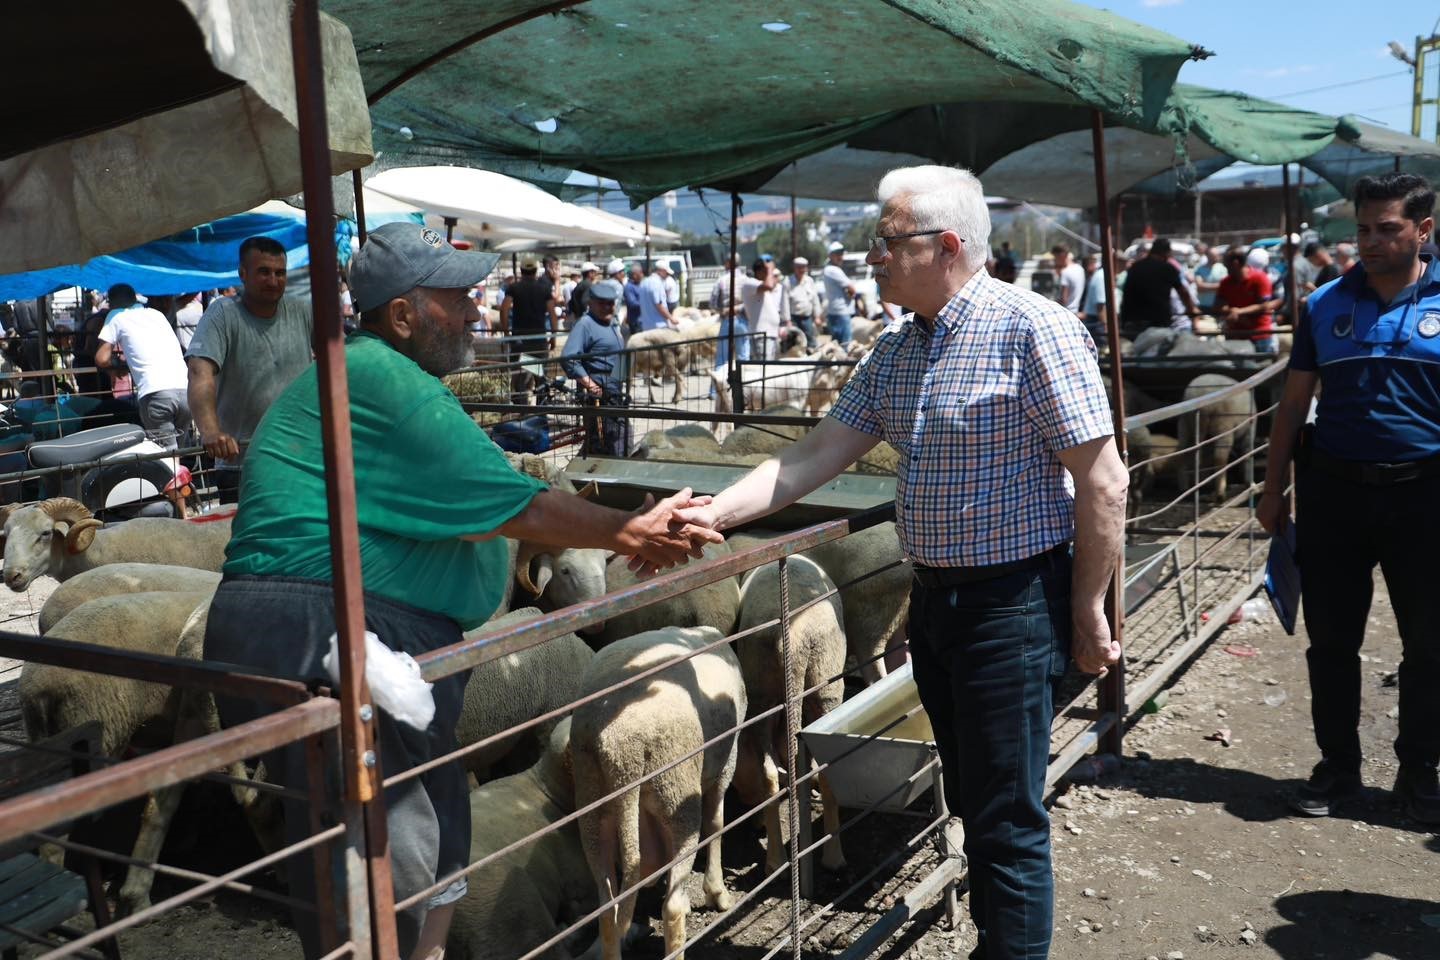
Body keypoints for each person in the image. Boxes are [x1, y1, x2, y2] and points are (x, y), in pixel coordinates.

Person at [204, 222, 720, 960]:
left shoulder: (367, 374)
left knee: (406, 821)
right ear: (404, 314)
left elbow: (488, 498)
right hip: (325, 626)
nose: (476, 312)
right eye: (456, 298)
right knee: (388, 840)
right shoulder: (380, 376)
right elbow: (515, 501)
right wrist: (632, 531)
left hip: (336, 627)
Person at [675, 165, 1127, 960]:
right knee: (976, 802)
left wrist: (1089, 610)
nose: (871, 258)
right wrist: (711, 513)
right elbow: (812, 455)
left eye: (886, 241)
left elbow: (1103, 478)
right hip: (940, 605)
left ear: (946, 246)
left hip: (1012, 606)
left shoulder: (1034, 330)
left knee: (1006, 819)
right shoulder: (900, 347)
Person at [1258, 173, 1440, 826]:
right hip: (1334, 494)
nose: (1368, 241)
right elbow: (1293, 405)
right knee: (1330, 641)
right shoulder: (1327, 303)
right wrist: (1273, 487)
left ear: (1423, 230)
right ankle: (1339, 769)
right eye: (1362, 228)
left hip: (1426, 497)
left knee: (1429, 645)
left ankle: (1420, 774)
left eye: (1386, 228)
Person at [186, 236, 314, 502]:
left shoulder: (301, 311)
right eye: (264, 272)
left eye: (280, 273)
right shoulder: (223, 313)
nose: (273, 280)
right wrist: (211, 432)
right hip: (241, 463)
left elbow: (337, 360)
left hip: (299, 459)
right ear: (242, 274)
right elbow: (200, 371)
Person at [94, 284, 192, 450]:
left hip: (156, 394)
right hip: (186, 392)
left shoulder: (117, 315)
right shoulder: (156, 314)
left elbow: (101, 358)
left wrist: (120, 365)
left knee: (167, 459)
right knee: (181, 454)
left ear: (112, 302)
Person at [561, 278, 629, 456]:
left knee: (615, 437)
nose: (608, 307)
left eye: (610, 303)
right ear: (591, 303)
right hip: (600, 395)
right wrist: (590, 384)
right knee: (607, 440)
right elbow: (569, 357)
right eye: (602, 304)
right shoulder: (585, 324)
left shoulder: (612, 323)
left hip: (615, 391)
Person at [1119, 238, 1197, 340]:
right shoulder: (1167, 268)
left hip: (1132, 322)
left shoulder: (1135, 267)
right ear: (1166, 253)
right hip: (1156, 324)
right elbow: (1183, 292)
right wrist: (1191, 310)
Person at [1214, 246, 1279, 353]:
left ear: (1235, 263)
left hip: (1259, 335)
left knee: (1264, 367)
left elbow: (1264, 305)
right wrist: (1232, 312)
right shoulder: (1225, 282)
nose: (1225, 268)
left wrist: (1239, 312)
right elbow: (1217, 305)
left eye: (1226, 265)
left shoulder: (1260, 278)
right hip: (1235, 335)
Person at [498, 258, 554, 357]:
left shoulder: (514, 288)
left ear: (521, 270)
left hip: (519, 338)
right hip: (539, 338)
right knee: (539, 370)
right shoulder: (545, 289)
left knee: (518, 370)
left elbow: (504, 310)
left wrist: (506, 333)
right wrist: (553, 336)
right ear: (536, 270)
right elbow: (552, 313)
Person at [739, 258, 789, 358]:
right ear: (759, 272)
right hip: (761, 336)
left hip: (771, 334)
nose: (769, 275)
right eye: (766, 272)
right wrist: (770, 268)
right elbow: (769, 285)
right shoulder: (749, 283)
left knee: (770, 370)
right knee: (763, 370)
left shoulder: (761, 286)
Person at [822, 241, 856, 344]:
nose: (840, 256)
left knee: (837, 345)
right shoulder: (833, 270)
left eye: (841, 254)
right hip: (841, 313)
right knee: (845, 345)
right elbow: (852, 289)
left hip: (836, 312)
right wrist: (851, 296)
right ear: (830, 255)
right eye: (837, 254)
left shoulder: (829, 269)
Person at [784, 256, 823, 344]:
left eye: (803, 267)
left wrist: (817, 316)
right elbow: (784, 303)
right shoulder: (787, 281)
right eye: (799, 267)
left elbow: (815, 300)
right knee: (794, 343)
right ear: (794, 268)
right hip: (794, 318)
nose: (801, 270)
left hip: (807, 318)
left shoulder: (809, 281)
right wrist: (787, 320)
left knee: (811, 342)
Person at [635, 263, 674, 332]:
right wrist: (671, 318)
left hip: (646, 326)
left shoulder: (643, 282)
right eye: (667, 273)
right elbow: (659, 305)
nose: (667, 276)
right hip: (659, 326)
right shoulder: (657, 283)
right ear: (661, 271)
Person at [1051, 243, 1084, 315]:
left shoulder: (1065, 272)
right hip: (1076, 311)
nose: (1054, 260)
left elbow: (1064, 299)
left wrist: (1049, 304)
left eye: (1055, 257)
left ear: (1061, 256)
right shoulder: (1080, 268)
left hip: (1067, 312)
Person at [1194, 245, 1228, 312]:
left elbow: (1225, 286)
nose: (1216, 257)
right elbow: (1199, 287)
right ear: (1207, 255)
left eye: (1217, 255)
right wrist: (1217, 286)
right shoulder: (1199, 269)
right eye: (1214, 255)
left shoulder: (1223, 268)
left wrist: (1205, 286)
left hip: (1219, 306)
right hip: (1203, 306)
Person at [566, 261, 599, 329]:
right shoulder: (588, 284)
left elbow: (571, 303)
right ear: (590, 273)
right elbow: (585, 302)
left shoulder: (580, 284)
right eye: (594, 272)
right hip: (584, 320)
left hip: (578, 318)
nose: (596, 274)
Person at [622, 264, 644, 336]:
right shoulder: (629, 287)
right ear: (635, 275)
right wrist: (646, 304)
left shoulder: (641, 284)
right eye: (640, 273)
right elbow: (632, 304)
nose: (642, 275)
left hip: (643, 320)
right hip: (636, 322)